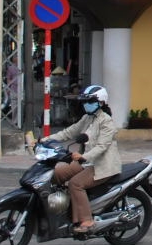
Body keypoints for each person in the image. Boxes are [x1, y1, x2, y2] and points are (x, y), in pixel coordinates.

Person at [42, 84, 121, 233]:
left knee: (75, 184)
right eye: (85, 101)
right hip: (85, 162)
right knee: (55, 174)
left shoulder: (106, 121)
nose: (86, 104)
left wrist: (83, 156)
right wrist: (45, 140)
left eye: (90, 101)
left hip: (101, 165)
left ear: (101, 102)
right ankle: (61, 207)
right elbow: (69, 132)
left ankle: (87, 220)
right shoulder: (87, 118)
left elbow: (102, 146)